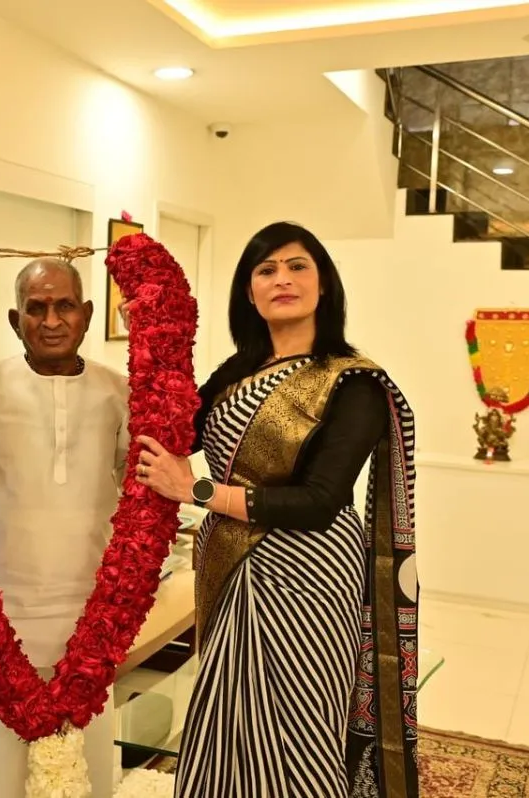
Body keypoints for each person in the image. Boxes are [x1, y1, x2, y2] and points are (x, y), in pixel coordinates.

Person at [132, 222, 419, 797]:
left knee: (297, 729)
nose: (281, 279)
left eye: (297, 266)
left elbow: (318, 502)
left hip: (309, 577)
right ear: (248, 291)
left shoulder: (353, 381)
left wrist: (199, 492)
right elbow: (166, 432)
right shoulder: (237, 371)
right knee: (225, 716)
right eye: (266, 270)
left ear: (324, 284)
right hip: (231, 567)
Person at [0, 258, 128, 798]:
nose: (51, 320)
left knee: (89, 777)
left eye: (64, 305)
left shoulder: (118, 391)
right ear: (14, 318)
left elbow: (144, 487)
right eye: (36, 307)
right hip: (3, 623)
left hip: (91, 624)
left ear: (87, 314)